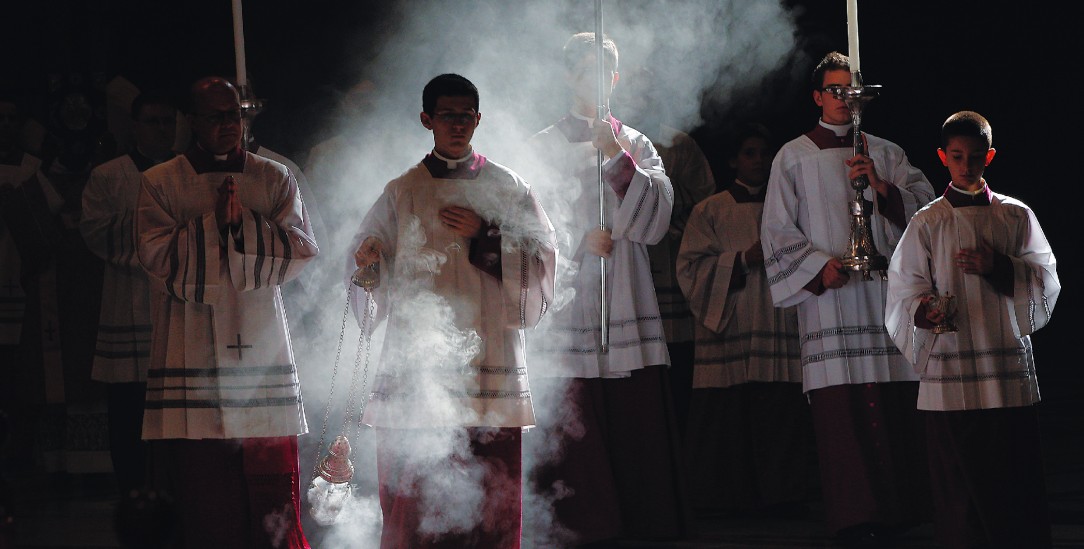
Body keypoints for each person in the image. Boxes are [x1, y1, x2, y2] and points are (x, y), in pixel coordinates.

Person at [347, 73, 557, 548]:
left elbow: (545, 257)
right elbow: (364, 259)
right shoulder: (403, 190)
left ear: (479, 119)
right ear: (427, 120)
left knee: (491, 475)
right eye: (447, 115)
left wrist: (487, 236)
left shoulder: (508, 186)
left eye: (466, 116)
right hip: (421, 357)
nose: (457, 125)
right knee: (416, 477)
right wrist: (370, 260)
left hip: (490, 350)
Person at [760, 51, 936, 546]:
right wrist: (818, 269)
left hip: (884, 299)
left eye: (848, 90)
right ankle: (855, 513)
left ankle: (903, 507)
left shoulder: (887, 152)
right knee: (844, 414)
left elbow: (928, 213)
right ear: (817, 97)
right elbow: (775, 230)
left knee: (897, 405)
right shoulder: (792, 156)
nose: (841, 99)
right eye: (832, 90)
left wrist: (883, 190)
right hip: (830, 303)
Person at [135, 76, 317, 548]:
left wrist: (243, 228)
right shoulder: (161, 182)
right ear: (190, 121)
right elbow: (154, 256)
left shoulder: (274, 178)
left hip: (260, 338)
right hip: (190, 341)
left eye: (235, 114)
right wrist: (213, 227)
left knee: (270, 489)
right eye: (215, 116)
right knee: (206, 491)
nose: (229, 125)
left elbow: (301, 250)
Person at [524, 32, 689, 546]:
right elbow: (520, 225)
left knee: (630, 412)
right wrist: (574, 242)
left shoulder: (636, 143)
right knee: (575, 412)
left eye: (603, 73)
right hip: (569, 303)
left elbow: (657, 220)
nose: (593, 82)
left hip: (625, 290)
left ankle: (642, 520)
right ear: (568, 77)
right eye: (582, 72)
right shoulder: (540, 146)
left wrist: (617, 158)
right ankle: (578, 524)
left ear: (614, 79)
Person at [885, 111, 1059, 549]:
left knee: (1011, 476)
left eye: (975, 157)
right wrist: (926, 310)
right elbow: (904, 289)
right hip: (952, 368)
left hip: (1004, 369)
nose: (966, 166)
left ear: (990, 157)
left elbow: (1046, 279)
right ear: (943, 157)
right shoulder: (928, 222)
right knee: (960, 487)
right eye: (957, 157)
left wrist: (999, 267)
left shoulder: (1015, 215)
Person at [676, 122, 814, 519]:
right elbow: (689, 269)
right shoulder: (711, 209)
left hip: (776, 320)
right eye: (749, 153)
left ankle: (783, 498)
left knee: (780, 415)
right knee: (726, 418)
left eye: (763, 153)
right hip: (730, 325)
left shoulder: (788, 208)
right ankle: (724, 500)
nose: (758, 160)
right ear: (734, 160)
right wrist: (739, 261)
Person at [80, 91, 177, 498]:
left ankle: (171, 490)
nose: (160, 129)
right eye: (151, 121)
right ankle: (133, 492)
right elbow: (95, 232)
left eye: (165, 122)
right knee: (127, 406)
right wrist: (153, 227)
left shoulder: (183, 171)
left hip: (173, 303)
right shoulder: (109, 174)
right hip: (127, 303)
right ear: (135, 126)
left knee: (173, 406)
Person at [617, 64, 716, 437]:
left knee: (675, 371)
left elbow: (705, 205)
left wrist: (672, 221)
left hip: (672, 266)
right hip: (627, 265)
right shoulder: (615, 140)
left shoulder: (677, 143)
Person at [0, 94, 66, 475]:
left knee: (21, 381)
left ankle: (20, 456)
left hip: (25, 289)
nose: (6, 125)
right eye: (0, 118)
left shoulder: (30, 170)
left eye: (13, 118)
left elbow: (52, 226)